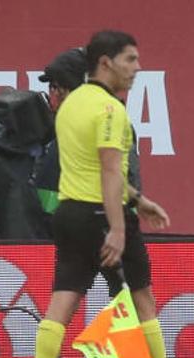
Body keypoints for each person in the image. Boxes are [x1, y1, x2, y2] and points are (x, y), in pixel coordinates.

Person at [30, 30, 194, 358]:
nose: (137, 68)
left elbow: (89, 167)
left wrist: (139, 199)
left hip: (69, 214)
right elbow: (110, 170)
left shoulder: (71, 105)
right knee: (143, 300)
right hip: (103, 215)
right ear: (105, 63)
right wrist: (118, 225)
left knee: (61, 301)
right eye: (130, 60)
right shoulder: (111, 110)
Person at [33, 47, 140, 297]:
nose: (52, 97)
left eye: (57, 88)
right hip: (80, 234)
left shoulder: (101, 123)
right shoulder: (67, 127)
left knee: (127, 307)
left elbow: (119, 181)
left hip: (101, 238)